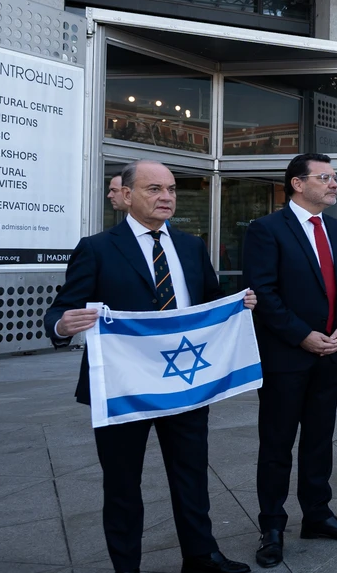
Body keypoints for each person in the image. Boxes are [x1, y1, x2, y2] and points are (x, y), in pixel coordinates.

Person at [45, 160, 255, 573]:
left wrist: (238, 305)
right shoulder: (97, 248)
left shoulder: (192, 247)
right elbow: (61, 308)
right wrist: (61, 324)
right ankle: (127, 566)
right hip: (124, 388)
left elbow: (211, 303)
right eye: (154, 189)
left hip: (186, 383)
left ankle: (202, 556)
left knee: (191, 475)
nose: (166, 198)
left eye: (172, 190)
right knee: (123, 484)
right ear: (126, 196)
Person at [244, 154, 337, 567]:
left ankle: (317, 514)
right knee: (277, 445)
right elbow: (264, 294)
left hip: (331, 354)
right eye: (325, 178)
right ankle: (272, 527)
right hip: (285, 357)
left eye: (335, 178)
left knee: (319, 442)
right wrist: (302, 335)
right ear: (298, 183)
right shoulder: (265, 230)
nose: (334, 184)